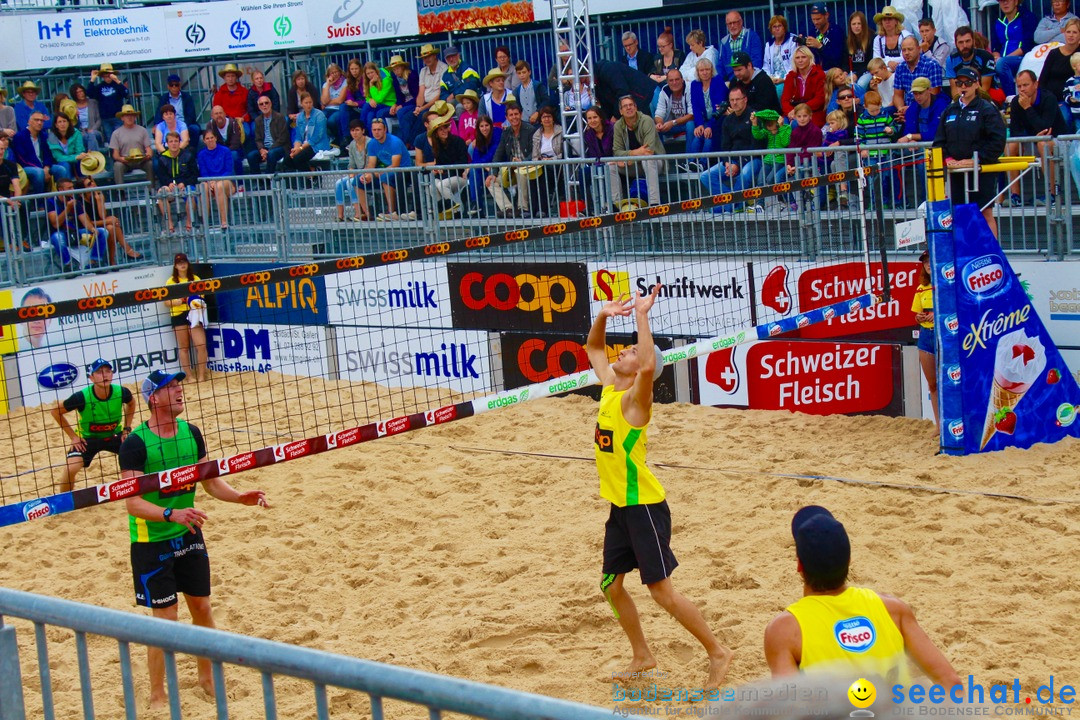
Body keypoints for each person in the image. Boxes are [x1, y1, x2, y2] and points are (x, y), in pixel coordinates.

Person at [586, 285, 733, 693]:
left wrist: (643, 316)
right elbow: (593, 349)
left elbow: (649, 365)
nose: (623, 353)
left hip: (645, 506)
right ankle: (642, 656)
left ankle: (717, 651)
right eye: (627, 349)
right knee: (610, 586)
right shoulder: (608, 388)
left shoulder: (636, 403)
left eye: (630, 352)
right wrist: (603, 314)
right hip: (620, 505)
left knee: (661, 592)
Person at [120, 368, 269, 710]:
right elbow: (133, 502)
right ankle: (157, 693)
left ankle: (207, 677)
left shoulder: (192, 433)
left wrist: (239, 496)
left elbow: (211, 481)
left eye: (178, 385)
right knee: (166, 618)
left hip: (188, 533)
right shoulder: (135, 444)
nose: (178, 391)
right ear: (152, 398)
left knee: (202, 607)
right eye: (169, 387)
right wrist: (172, 514)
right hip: (151, 540)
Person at [764, 506, 962, 685]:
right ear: (849, 560)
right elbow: (951, 682)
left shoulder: (786, 630)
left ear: (799, 565)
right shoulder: (893, 610)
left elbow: (788, 709)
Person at [933, 66, 1007, 237]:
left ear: (976, 85)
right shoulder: (949, 111)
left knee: (985, 212)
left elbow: (997, 141)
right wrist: (947, 159)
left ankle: (991, 252)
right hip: (956, 172)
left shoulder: (987, 109)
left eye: (967, 82)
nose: (963, 87)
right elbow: (939, 142)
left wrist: (977, 160)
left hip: (981, 171)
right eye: (959, 83)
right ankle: (965, 252)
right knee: (958, 213)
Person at [51, 358, 135, 493]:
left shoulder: (122, 392)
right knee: (70, 468)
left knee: (140, 453)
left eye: (108, 371)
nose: (105, 375)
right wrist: (73, 437)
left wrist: (127, 428)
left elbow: (131, 403)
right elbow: (55, 412)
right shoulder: (81, 397)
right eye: (100, 372)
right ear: (91, 377)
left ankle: (142, 488)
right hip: (87, 439)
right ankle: (64, 499)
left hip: (114, 435)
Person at [1007, 69, 1069, 205]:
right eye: (1019, 86)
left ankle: (1053, 194)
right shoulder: (1017, 102)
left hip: (1059, 141)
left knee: (1043, 144)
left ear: (1036, 84)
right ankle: (1015, 196)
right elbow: (1014, 132)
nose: (1022, 89)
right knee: (1011, 146)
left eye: (1026, 85)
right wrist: (1034, 135)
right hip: (1034, 139)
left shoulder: (1048, 98)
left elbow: (1046, 129)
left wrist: (1028, 108)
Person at [699, 85, 763, 211]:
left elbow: (757, 146)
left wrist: (738, 165)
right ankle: (735, 203)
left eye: (737, 99)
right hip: (732, 160)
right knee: (705, 176)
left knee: (744, 174)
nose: (734, 103)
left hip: (753, 159)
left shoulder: (754, 116)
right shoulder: (728, 120)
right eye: (732, 100)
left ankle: (728, 206)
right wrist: (727, 163)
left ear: (745, 99)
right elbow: (725, 146)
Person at [613, 95, 666, 207]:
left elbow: (649, 150)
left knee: (647, 160)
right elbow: (617, 152)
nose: (628, 108)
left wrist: (628, 158)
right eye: (625, 106)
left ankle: (654, 203)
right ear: (621, 111)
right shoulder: (618, 125)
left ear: (636, 107)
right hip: (632, 164)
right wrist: (633, 154)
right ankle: (616, 205)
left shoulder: (646, 120)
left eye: (631, 105)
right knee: (611, 165)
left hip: (655, 162)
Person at [47, 177, 107, 270]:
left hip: (75, 232)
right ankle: (69, 264)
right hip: (60, 233)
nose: (73, 190)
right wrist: (67, 208)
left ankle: (94, 261)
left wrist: (92, 229)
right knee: (57, 237)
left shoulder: (75, 201)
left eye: (72, 187)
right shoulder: (51, 201)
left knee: (103, 232)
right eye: (69, 188)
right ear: (60, 190)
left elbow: (84, 220)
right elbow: (55, 224)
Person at [165, 254, 209, 382]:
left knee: (201, 345)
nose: (182, 264)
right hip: (178, 314)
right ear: (175, 265)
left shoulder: (195, 279)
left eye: (184, 262)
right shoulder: (171, 281)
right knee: (184, 347)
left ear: (188, 263)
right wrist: (176, 302)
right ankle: (189, 376)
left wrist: (188, 300)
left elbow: (201, 298)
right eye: (179, 263)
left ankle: (201, 375)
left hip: (194, 313)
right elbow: (166, 302)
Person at [362, 117, 414, 221]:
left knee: (385, 177)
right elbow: (371, 163)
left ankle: (392, 212)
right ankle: (365, 214)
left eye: (379, 129)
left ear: (385, 130)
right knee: (358, 180)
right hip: (387, 171)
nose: (376, 132)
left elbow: (395, 164)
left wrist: (379, 172)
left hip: (403, 171)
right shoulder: (372, 143)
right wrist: (366, 174)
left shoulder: (394, 141)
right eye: (374, 130)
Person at [488, 103, 535, 217]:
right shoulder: (506, 132)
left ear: (521, 114)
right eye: (511, 115)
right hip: (512, 169)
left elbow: (535, 152)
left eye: (516, 114)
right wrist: (493, 173)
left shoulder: (530, 129)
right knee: (490, 182)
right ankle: (508, 209)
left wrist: (522, 162)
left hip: (528, 167)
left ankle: (523, 208)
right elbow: (498, 155)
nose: (514, 117)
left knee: (521, 173)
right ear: (507, 118)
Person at [79, 175, 140, 262]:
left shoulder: (97, 196)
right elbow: (88, 223)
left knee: (111, 228)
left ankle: (114, 259)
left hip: (99, 227)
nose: (93, 184)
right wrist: (107, 221)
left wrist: (99, 200)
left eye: (92, 181)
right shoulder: (80, 202)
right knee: (110, 226)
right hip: (85, 231)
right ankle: (124, 253)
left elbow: (102, 216)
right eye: (89, 184)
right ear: (82, 190)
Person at [912, 251, 939, 427]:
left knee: (951, 383)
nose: (928, 264)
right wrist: (920, 318)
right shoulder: (922, 288)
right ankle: (939, 425)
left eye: (930, 260)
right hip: (926, 336)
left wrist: (936, 316)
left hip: (944, 336)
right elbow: (916, 315)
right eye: (925, 262)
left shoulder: (947, 285)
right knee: (932, 384)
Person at [13, 112, 69, 193]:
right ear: (29, 122)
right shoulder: (20, 136)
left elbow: (49, 155)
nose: (39, 123)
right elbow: (22, 159)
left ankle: (62, 198)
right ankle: (40, 203)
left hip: (43, 166)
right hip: (26, 167)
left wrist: (46, 167)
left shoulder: (44, 136)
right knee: (38, 173)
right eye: (36, 120)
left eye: (42, 121)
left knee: (61, 169)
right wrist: (42, 169)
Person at [992, 0, 1039, 96]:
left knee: (1001, 63)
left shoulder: (1027, 17)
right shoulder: (998, 22)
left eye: (1008, 0)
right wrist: (996, 57)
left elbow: (1027, 46)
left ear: (1016, 2)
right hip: (1003, 61)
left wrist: (1003, 59)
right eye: (1001, 1)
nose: (1005, 3)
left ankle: (1011, 98)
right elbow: (995, 47)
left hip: (1023, 58)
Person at [430, 112, 471, 217]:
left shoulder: (458, 141)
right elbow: (439, 164)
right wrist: (437, 170)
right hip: (445, 176)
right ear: (436, 133)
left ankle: (457, 209)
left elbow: (463, 162)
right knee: (432, 185)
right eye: (441, 129)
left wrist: (444, 169)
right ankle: (445, 211)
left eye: (445, 128)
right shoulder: (436, 146)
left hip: (460, 176)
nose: (444, 131)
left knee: (441, 185)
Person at [751, 109, 793, 210]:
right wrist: (754, 124)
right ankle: (760, 205)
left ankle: (782, 200)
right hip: (768, 160)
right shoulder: (767, 131)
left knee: (771, 179)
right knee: (760, 181)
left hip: (780, 160)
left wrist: (781, 127)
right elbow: (758, 135)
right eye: (767, 125)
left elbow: (785, 142)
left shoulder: (786, 128)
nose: (769, 128)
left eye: (771, 124)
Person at [582, 106, 622, 209]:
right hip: (600, 163)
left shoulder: (612, 128)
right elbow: (593, 154)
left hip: (615, 161)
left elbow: (617, 149)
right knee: (584, 172)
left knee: (604, 169)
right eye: (589, 118)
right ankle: (590, 207)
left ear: (601, 118)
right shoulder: (588, 134)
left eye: (595, 117)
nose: (592, 120)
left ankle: (611, 205)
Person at [893, 36, 944, 114]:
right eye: (904, 50)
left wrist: (911, 110)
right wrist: (901, 110)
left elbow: (934, 95)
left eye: (910, 49)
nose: (906, 53)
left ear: (919, 49)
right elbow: (898, 95)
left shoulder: (932, 66)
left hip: (928, 110)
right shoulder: (900, 68)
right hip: (906, 111)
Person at [280, 93, 329, 175]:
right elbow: (298, 136)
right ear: (302, 104)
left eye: (310, 102)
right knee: (287, 159)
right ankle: (311, 170)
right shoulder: (299, 117)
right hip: (303, 146)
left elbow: (317, 137)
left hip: (317, 145)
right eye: (306, 103)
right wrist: (296, 148)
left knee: (298, 158)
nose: (309, 105)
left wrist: (300, 148)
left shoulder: (319, 115)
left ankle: (312, 178)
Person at [198, 129, 236, 230]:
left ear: (216, 138)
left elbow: (229, 170)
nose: (210, 140)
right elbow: (203, 172)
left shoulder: (225, 151)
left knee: (219, 186)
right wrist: (209, 181)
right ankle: (205, 223)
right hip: (210, 182)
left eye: (212, 138)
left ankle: (224, 221)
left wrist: (217, 180)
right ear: (204, 141)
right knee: (203, 187)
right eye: (207, 138)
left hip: (226, 181)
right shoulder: (201, 155)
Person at [528, 106, 563, 216]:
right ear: (540, 120)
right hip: (541, 163)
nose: (546, 119)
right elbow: (534, 155)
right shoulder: (537, 134)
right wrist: (538, 161)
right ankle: (533, 209)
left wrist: (551, 159)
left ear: (553, 118)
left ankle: (543, 209)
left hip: (557, 165)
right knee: (532, 175)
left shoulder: (561, 131)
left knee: (543, 173)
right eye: (544, 117)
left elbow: (564, 153)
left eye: (549, 116)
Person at [687, 58, 724, 160]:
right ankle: (690, 163)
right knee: (698, 135)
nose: (705, 73)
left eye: (707, 69)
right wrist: (699, 125)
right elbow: (696, 107)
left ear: (712, 70)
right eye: (701, 70)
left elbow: (719, 109)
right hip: (704, 120)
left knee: (708, 137)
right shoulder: (694, 84)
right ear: (697, 72)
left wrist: (710, 126)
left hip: (718, 119)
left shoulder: (717, 81)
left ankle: (703, 164)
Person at [945, 26, 997, 98]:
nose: (965, 45)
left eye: (968, 41)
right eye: (961, 42)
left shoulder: (986, 57)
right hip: (962, 97)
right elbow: (954, 90)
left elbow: (985, 89)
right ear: (956, 43)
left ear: (973, 41)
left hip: (985, 97)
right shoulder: (951, 60)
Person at [782, 46, 827, 127]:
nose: (800, 60)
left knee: (796, 124)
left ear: (810, 58)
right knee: (782, 125)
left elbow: (819, 99)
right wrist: (790, 112)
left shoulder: (819, 74)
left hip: (813, 112)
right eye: (797, 58)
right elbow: (785, 100)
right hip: (793, 112)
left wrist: (799, 111)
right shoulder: (791, 76)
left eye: (803, 57)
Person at [335, 120, 371, 222]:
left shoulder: (370, 143)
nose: (354, 133)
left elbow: (370, 164)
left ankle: (359, 213)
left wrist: (354, 175)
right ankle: (340, 216)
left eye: (357, 130)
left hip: (368, 173)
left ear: (363, 130)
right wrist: (351, 173)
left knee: (350, 182)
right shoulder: (351, 145)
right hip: (357, 173)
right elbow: (351, 165)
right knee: (339, 183)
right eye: (352, 130)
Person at [1038, 17, 1080, 101]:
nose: (1071, 35)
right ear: (1064, 33)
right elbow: (1042, 80)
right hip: (1051, 99)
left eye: (1074, 32)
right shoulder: (1054, 53)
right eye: (1068, 32)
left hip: (1072, 99)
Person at [109, 105, 153, 186]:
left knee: (150, 164)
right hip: (125, 161)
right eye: (126, 116)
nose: (129, 117)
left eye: (132, 115)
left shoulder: (142, 130)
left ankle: (152, 190)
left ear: (135, 117)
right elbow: (115, 154)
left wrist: (148, 155)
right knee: (117, 165)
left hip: (141, 160)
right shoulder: (116, 133)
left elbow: (148, 149)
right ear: (122, 118)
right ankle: (120, 192)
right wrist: (122, 159)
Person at [898, 77, 949, 145]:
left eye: (920, 93)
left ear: (929, 90)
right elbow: (907, 130)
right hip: (917, 146)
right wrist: (911, 141)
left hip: (937, 146)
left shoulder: (941, 106)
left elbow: (935, 133)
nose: (918, 97)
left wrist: (911, 137)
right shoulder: (912, 108)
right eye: (915, 93)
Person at [247, 94, 290, 175]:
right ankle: (259, 182)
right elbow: (258, 139)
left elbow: (283, 138)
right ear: (259, 107)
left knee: (271, 154)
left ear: (270, 104)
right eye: (261, 104)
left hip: (280, 147)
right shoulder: (258, 120)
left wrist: (268, 150)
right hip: (265, 149)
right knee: (251, 156)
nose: (264, 106)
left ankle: (268, 179)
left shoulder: (279, 117)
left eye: (266, 103)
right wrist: (261, 150)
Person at [718, 12, 764, 83]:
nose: (732, 26)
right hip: (732, 82)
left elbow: (756, 61)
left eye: (734, 22)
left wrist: (749, 79)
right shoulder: (723, 42)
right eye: (729, 24)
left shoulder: (752, 36)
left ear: (741, 22)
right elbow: (720, 67)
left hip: (750, 80)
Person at [467, 115, 498, 213]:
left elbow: (492, 153)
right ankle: (476, 205)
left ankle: (476, 204)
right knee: (473, 171)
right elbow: (475, 158)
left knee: (473, 169)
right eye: (481, 126)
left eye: (486, 125)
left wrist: (480, 165)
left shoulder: (497, 133)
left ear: (491, 125)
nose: (484, 128)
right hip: (485, 169)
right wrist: (483, 166)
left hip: (496, 168)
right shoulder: (479, 138)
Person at [155, 74, 200, 141]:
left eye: (176, 85)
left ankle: (192, 150)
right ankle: (163, 149)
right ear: (168, 86)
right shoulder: (164, 98)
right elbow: (159, 113)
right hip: (168, 124)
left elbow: (191, 115)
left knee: (195, 129)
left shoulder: (187, 97)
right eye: (171, 85)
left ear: (180, 85)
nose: (174, 87)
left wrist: (182, 126)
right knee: (156, 130)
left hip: (185, 124)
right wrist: (157, 124)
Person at [88, 65, 128, 140]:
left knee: (119, 137)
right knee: (110, 138)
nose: (107, 78)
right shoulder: (99, 87)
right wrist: (92, 80)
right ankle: (112, 151)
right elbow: (90, 94)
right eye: (105, 76)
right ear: (102, 76)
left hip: (117, 116)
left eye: (109, 76)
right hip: (105, 117)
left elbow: (126, 93)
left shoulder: (117, 85)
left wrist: (117, 81)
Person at [389, 55, 421, 147]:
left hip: (414, 102)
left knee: (401, 113)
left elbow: (416, 96)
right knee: (381, 113)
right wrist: (395, 105)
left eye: (397, 68)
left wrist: (401, 106)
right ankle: (388, 141)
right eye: (394, 70)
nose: (396, 71)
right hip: (404, 104)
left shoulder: (412, 75)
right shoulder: (395, 79)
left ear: (403, 67)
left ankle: (405, 142)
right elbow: (399, 97)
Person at [653, 69, 692, 143]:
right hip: (670, 125)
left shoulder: (689, 88)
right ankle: (661, 154)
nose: (674, 83)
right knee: (654, 128)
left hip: (686, 123)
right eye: (671, 80)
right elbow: (659, 113)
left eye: (677, 79)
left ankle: (689, 154)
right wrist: (659, 124)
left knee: (690, 125)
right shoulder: (665, 90)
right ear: (667, 82)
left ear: (682, 80)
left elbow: (692, 115)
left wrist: (673, 122)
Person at [804, 3, 847, 71]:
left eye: (818, 19)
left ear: (826, 15)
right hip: (817, 71)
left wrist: (820, 46)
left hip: (834, 71)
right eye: (813, 19)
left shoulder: (836, 31)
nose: (815, 22)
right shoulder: (813, 32)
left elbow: (837, 59)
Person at [360, 62, 397, 137]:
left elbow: (379, 99)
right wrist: (370, 100)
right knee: (370, 115)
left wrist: (371, 85)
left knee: (367, 107)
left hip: (389, 104)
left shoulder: (386, 80)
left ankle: (361, 130)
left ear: (376, 71)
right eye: (368, 74)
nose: (370, 75)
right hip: (379, 105)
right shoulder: (367, 81)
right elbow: (367, 96)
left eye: (372, 72)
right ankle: (372, 139)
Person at [206, 106, 245, 177]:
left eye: (220, 113)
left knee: (234, 155)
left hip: (234, 150)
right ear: (212, 116)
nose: (219, 115)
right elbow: (210, 141)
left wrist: (224, 153)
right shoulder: (210, 125)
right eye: (216, 114)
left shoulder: (233, 123)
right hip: (217, 151)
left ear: (225, 114)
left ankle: (240, 183)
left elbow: (235, 144)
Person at [48, 113, 88, 180]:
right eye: (59, 122)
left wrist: (77, 157)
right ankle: (68, 187)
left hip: (76, 162)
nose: (62, 124)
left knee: (81, 162)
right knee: (65, 165)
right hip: (59, 163)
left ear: (68, 123)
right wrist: (75, 157)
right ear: (56, 125)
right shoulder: (51, 137)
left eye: (64, 121)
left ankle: (84, 186)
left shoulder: (76, 133)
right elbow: (58, 157)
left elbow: (79, 151)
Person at [417, 44, 449, 126]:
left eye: (429, 56)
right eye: (424, 58)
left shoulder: (444, 68)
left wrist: (423, 108)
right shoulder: (423, 71)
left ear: (434, 55)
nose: (426, 59)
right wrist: (418, 107)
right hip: (424, 105)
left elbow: (440, 94)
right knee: (409, 116)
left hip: (437, 104)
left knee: (422, 117)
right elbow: (421, 93)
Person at [212, 64, 250, 134]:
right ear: (224, 78)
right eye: (228, 76)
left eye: (233, 76)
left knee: (246, 133)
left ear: (236, 77)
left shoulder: (245, 92)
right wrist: (225, 120)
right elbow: (216, 111)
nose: (230, 79)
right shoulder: (219, 94)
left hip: (241, 121)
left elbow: (250, 108)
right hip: (225, 122)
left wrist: (243, 118)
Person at [872, 6, 912, 72]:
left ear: (896, 21)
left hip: (905, 68)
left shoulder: (905, 36)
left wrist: (888, 61)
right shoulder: (877, 39)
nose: (887, 22)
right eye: (884, 19)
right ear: (881, 23)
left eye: (890, 19)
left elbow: (907, 57)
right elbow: (876, 59)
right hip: (884, 71)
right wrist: (888, 63)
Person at [764, 16, 797, 84]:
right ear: (771, 30)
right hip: (773, 79)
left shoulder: (792, 41)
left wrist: (784, 79)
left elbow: (794, 64)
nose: (777, 29)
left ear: (784, 28)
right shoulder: (768, 45)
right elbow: (766, 66)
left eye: (779, 26)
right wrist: (769, 78)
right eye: (774, 27)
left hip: (789, 79)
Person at [481, 68, 517, 132]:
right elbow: (481, 120)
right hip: (491, 135)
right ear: (490, 83)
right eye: (498, 81)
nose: (501, 82)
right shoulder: (484, 99)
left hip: (511, 133)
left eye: (502, 80)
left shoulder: (512, 95)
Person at [514, 61, 550, 125]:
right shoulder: (516, 91)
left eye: (524, 72)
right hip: (524, 123)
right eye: (519, 73)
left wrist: (537, 112)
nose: (522, 75)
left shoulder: (538, 86)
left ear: (529, 72)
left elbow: (546, 101)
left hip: (539, 122)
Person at [69, 84, 102, 152]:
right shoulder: (72, 106)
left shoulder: (93, 102)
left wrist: (92, 129)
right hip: (80, 132)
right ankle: (94, 157)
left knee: (91, 135)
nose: (81, 94)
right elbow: (72, 124)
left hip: (95, 131)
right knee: (84, 136)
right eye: (77, 92)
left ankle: (92, 156)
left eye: (81, 91)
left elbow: (99, 120)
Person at [321, 64, 349, 144]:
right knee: (320, 119)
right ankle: (327, 141)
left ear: (340, 72)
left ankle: (337, 139)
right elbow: (323, 101)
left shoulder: (345, 82)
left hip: (339, 108)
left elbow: (340, 100)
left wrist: (327, 102)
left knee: (331, 121)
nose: (334, 74)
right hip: (328, 109)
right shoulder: (326, 85)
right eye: (332, 73)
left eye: (336, 72)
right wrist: (328, 85)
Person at [847, 11, 874, 88]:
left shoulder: (871, 38)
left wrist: (857, 74)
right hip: (853, 72)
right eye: (854, 24)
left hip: (868, 71)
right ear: (850, 26)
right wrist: (845, 72)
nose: (856, 26)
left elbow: (870, 62)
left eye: (859, 23)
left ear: (864, 25)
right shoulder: (848, 40)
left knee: (861, 83)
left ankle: (859, 100)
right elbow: (845, 61)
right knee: (846, 84)